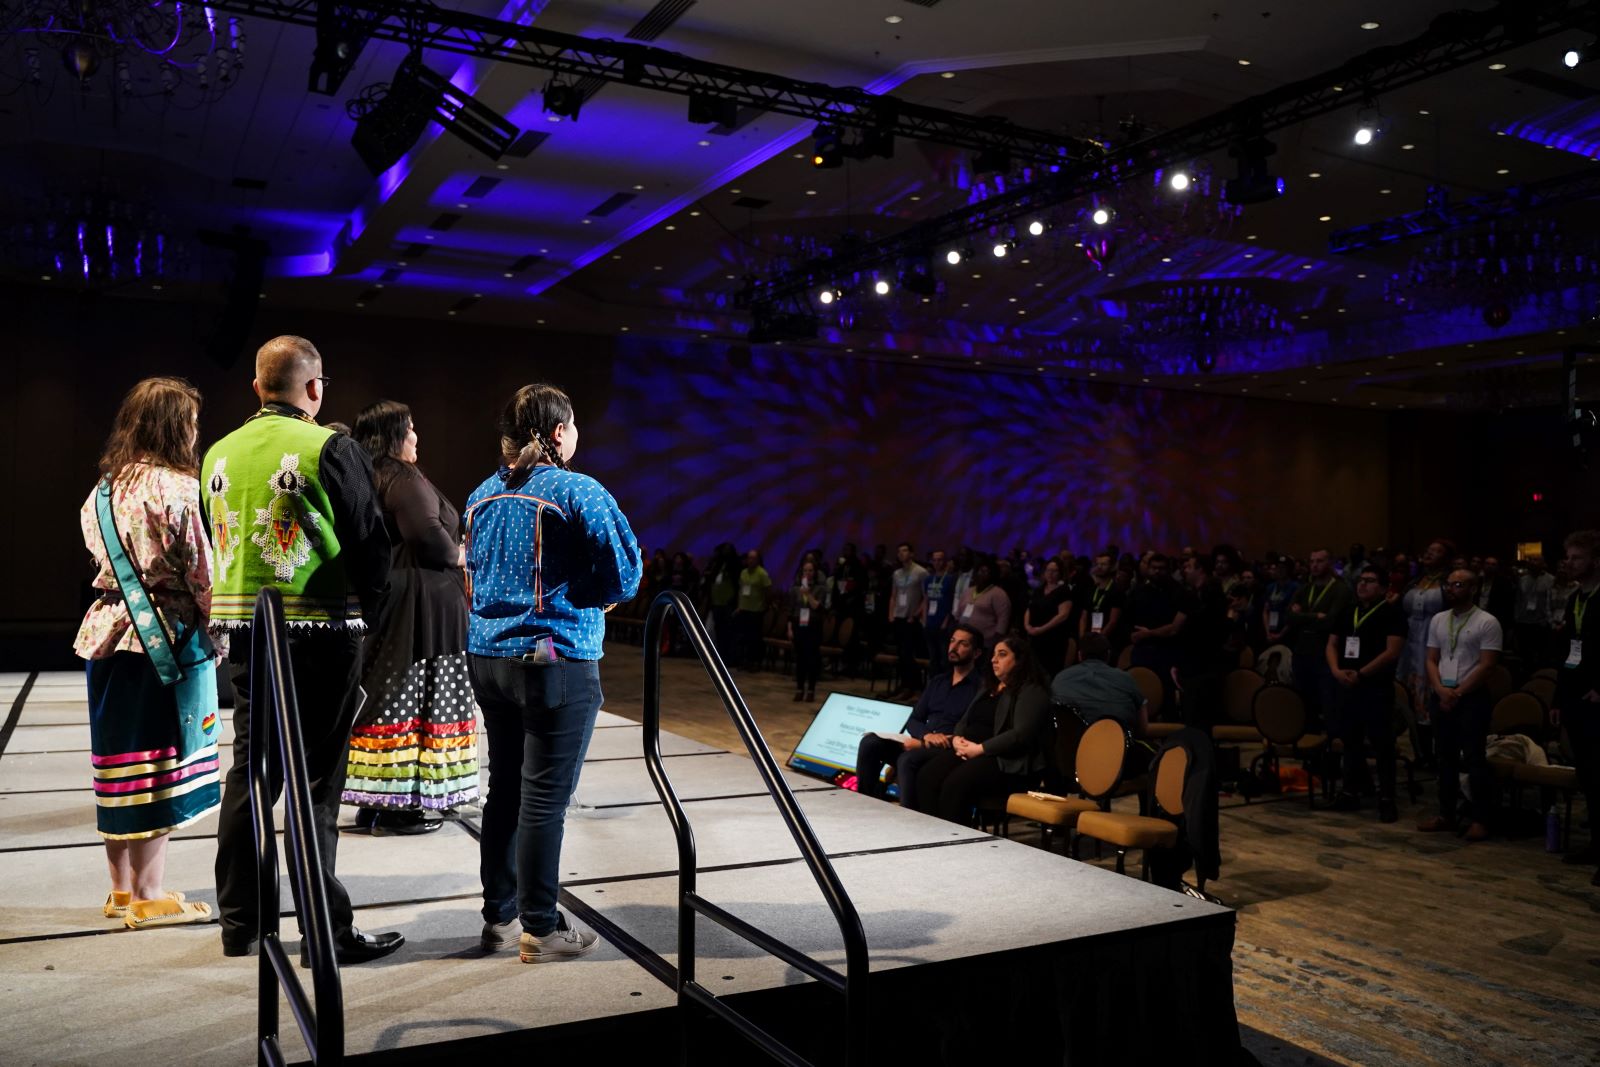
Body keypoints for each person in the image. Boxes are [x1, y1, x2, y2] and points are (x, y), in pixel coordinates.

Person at [205, 335, 399, 962]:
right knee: (317, 785)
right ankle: (324, 934)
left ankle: (241, 924)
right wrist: (372, 614)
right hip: (320, 632)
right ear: (315, 389)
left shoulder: (219, 452)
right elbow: (372, 546)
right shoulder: (327, 445)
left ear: (257, 388)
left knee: (250, 775)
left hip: (245, 631)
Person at [464, 383, 641, 962]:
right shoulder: (574, 489)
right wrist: (594, 594)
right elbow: (626, 571)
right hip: (552, 659)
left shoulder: (480, 496)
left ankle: (500, 918)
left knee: (505, 792)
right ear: (559, 432)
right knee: (543, 801)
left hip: (487, 659)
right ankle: (541, 926)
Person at [74, 377, 219, 929]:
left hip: (106, 632)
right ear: (177, 428)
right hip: (163, 638)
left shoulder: (103, 490)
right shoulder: (180, 490)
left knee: (115, 764)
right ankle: (150, 893)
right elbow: (202, 573)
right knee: (158, 764)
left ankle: (119, 890)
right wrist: (219, 633)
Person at [340, 400, 478, 835]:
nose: (417, 437)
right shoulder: (401, 477)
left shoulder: (369, 475)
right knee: (418, 697)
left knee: (388, 696)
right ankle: (400, 806)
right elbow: (428, 536)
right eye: (412, 429)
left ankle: (378, 800)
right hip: (422, 609)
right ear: (394, 435)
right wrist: (460, 555)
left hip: (398, 602)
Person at [913, 632, 1051, 825]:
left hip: (1005, 760)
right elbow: (965, 720)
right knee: (927, 776)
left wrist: (979, 749)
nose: (994, 660)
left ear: (1019, 660)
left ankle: (955, 842)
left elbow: (1021, 734)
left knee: (955, 784)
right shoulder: (989, 687)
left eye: (1002, 654)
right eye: (994, 654)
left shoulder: (1031, 690)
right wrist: (957, 740)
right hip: (971, 750)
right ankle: (931, 833)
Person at [855, 625, 987, 809]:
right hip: (923, 741)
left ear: (976, 653)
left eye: (962, 644)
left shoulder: (980, 687)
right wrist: (925, 735)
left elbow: (972, 730)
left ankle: (910, 818)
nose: (954, 647)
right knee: (871, 743)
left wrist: (927, 743)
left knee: (907, 759)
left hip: (949, 749)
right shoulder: (938, 681)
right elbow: (914, 719)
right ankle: (865, 804)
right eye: (952, 641)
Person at [1417, 569, 1503, 842]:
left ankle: (1481, 818)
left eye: (1458, 584)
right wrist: (1441, 690)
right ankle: (1447, 814)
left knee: (1474, 758)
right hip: (1442, 695)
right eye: (1448, 584)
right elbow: (1431, 659)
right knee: (1444, 758)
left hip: (1471, 697)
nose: (1451, 589)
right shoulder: (1439, 619)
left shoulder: (1487, 622)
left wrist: (1458, 693)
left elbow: (1488, 665)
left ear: (1473, 589)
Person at [1325, 565, 1407, 822]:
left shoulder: (1392, 613)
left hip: (1375, 687)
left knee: (1382, 745)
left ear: (1383, 588)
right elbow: (1332, 644)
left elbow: (1392, 652)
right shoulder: (1348, 611)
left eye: (1370, 581)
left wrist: (1361, 674)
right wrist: (1336, 670)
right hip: (1347, 685)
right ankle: (1350, 791)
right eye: (1361, 580)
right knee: (1350, 741)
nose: (1363, 585)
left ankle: (1386, 798)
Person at [1550, 530, 1600, 879]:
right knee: (1589, 775)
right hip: (1575, 696)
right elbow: (1567, 651)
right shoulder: (1574, 599)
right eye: (1568, 557)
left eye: (1576, 557)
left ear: (1595, 561)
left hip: (1598, 698)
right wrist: (1557, 696)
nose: (1569, 563)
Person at [1287, 548, 1352, 729]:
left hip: (1324, 653)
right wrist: (1315, 617)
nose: (1314, 565)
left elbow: (1331, 621)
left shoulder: (1340, 589)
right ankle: (1309, 745)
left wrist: (1302, 616)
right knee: (1304, 703)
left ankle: (1330, 747)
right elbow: (1288, 617)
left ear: (1330, 563)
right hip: (1301, 652)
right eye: (1312, 561)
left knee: (1328, 703)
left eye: (1320, 561)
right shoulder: (1305, 588)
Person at [1050, 633, 1147, 735]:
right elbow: (1143, 728)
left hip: (1070, 748)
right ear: (1108, 654)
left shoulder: (1060, 678)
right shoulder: (1126, 679)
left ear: (1079, 655)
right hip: (1116, 747)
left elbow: (1051, 723)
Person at [1400, 540, 1453, 719]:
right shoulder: (1415, 580)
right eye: (1428, 550)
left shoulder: (1449, 581)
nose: (1429, 553)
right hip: (1410, 637)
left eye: (1436, 551)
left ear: (1445, 558)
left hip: (1434, 636)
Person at [888, 543, 929, 699]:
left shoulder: (921, 572)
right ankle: (904, 684)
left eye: (904, 551)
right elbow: (894, 595)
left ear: (911, 553)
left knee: (908, 653)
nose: (901, 554)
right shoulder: (897, 573)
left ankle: (912, 686)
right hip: (898, 616)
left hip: (912, 619)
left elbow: (926, 597)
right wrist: (890, 614)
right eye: (899, 551)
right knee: (900, 653)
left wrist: (916, 614)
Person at [1023, 558, 1074, 677]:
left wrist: (1041, 629)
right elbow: (1029, 609)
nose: (1050, 573)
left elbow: (1063, 615)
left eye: (1054, 571)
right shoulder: (1039, 589)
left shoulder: (1064, 590)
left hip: (1053, 640)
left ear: (1060, 573)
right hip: (1034, 637)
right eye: (1048, 570)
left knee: (1048, 673)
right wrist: (1027, 626)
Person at [787, 559, 826, 702]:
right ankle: (799, 688)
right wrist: (790, 628)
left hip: (813, 626)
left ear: (815, 573)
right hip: (798, 625)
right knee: (800, 658)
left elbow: (817, 607)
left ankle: (811, 689)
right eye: (805, 571)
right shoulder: (795, 589)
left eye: (810, 571)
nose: (808, 573)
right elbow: (791, 611)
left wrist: (808, 594)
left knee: (812, 659)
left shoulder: (820, 588)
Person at [952, 557, 1011, 647]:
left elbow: (1003, 619)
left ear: (992, 574)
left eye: (986, 571)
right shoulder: (968, 591)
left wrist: (996, 640)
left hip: (986, 641)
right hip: (964, 638)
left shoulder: (999, 594)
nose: (982, 574)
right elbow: (959, 613)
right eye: (980, 571)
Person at [735, 549, 772, 671]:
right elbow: (741, 590)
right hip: (744, 609)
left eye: (753, 558)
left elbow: (768, 591)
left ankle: (754, 662)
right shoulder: (743, 572)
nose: (750, 560)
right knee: (743, 637)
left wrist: (766, 606)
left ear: (758, 560)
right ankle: (743, 661)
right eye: (749, 558)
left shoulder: (762, 573)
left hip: (756, 610)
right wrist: (739, 605)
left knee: (754, 638)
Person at [1514, 554, 1554, 667]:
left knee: (1542, 654)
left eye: (1535, 560)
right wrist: (1516, 617)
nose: (1532, 562)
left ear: (1543, 563)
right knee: (1525, 654)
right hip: (1524, 621)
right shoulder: (1522, 579)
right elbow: (1518, 600)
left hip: (1541, 622)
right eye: (1530, 560)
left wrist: (1548, 621)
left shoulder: (1551, 580)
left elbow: (1551, 602)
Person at [1078, 552, 1124, 648]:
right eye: (1097, 564)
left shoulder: (1116, 590)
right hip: (1089, 637)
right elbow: (1084, 617)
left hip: (1107, 641)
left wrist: (1098, 641)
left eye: (1103, 564)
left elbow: (1113, 621)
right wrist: (1082, 638)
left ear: (1112, 567)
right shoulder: (1091, 588)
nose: (1099, 567)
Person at [1262, 557, 1299, 649]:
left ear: (1289, 570)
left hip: (1287, 633)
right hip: (1271, 630)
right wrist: (1267, 632)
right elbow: (1266, 611)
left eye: (1283, 568)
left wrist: (1280, 634)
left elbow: (1295, 614)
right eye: (1277, 567)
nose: (1279, 570)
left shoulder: (1295, 587)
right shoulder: (1270, 587)